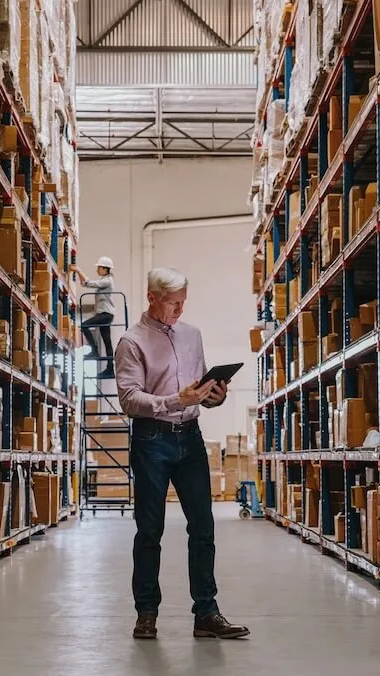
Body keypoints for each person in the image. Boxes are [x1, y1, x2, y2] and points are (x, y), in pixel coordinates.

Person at [113, 266, 250, 641]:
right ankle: (146, 613)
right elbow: (129, 398)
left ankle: (206, 612)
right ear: (152, 298)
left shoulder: (193, 336)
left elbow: (201, 386)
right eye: (173, 303)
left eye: (183, 303)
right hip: (151, 440)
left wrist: (214, 396)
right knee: (150, 529)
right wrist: (177, 399)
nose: (180, 310)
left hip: (190, 438)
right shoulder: (131, 341)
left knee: (203, 527)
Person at [73, 256, 117, 378]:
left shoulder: (107, 280)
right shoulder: (105, 280)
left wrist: (78, 270)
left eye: (99, 268)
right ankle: (110, 369)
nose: (97, 270)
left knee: (85, 325)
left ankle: (94, 351)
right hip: (104, 314)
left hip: (105, 314)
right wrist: (79, 274)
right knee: (107, 342)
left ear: (105, 269)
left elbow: (89, 283)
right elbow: (85, 284)